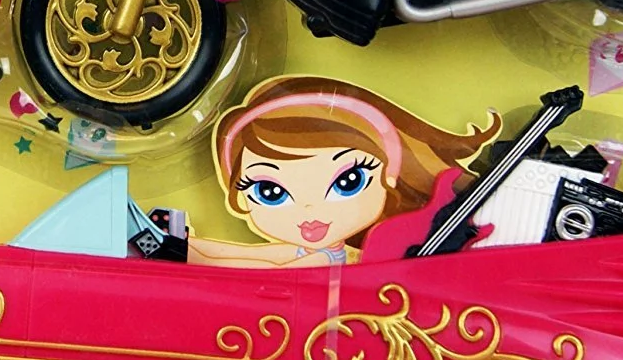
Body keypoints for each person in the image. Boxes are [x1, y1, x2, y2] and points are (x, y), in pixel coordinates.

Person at [188, 77, 499, 268]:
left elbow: (269, 269)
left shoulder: (325, 259)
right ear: (240, 197)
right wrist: (188, 245)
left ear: (390, 174)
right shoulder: (313, 249)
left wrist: (195, 257)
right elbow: (256, 255)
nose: (309, 209)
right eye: (270, 192)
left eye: (348, 181)